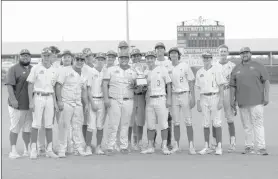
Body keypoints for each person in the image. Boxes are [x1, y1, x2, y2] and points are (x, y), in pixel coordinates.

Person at [230, 47, 270, 155]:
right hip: (242, 102)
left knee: (258, 124)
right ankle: (249, 146)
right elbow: (232, 86)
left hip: (257, 100)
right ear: (240, 55)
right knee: (247, 125)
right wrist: (232, 100)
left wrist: (267, 96)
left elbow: (266, 81)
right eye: (242, 53)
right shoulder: (236, 68)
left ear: (250, 54)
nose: (244, 55)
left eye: (246, 52)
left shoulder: (258, 65)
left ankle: (261, 147)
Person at [27, 47, 59, 159]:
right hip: (38, 97)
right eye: (44, 55)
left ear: (51, 57)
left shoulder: (54, 69)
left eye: (48, 55)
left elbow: (53, 87)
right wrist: (31, 102)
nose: (46, 57)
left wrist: (55, 102)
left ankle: (49, 149)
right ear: (41, 56)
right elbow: (30, 85)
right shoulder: (36, 68)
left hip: (50, 97)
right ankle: (33, 149)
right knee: (36, 124)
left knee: (49, 124)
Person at [103, 51, 137, 155]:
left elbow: (137, 87)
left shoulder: (133, 71)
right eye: (122, 58)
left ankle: (124, 146)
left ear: (128, 59)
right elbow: (105, 84)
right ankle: (110, 146)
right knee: (113, 124)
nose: (124, 60)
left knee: (125, 124)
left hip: (128, 100)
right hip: (114, 99)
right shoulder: (111, 70)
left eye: (126, 58)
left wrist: (137, 85)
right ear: (119, 59)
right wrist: (106, 99)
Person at [55, 51, 89, 157]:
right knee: (64, 126)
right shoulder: (65, 71)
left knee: (77, 126)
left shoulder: (83, 74)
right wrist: (59, 101)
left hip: (78, 103)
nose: (79, 62)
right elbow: (58, 86)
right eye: (77, 60)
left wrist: (86, 104)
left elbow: (84, 91)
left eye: (81, 60)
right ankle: (62, 149)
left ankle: (78, 148)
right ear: (73, 60)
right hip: (66, 102)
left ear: (84, 61)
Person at [140, 51, 172, 155]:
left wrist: (169, 99)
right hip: (149, 99)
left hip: (161, 98)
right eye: (148, 58)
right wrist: (141, 85)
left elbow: (168, 84)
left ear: (154, 59)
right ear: (146, 60)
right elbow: (142, 88)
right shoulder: (144, 72)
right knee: (150, 125)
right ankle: (150, 146)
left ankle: (164, 146)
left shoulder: (162, 69)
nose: (149, 60)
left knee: (163, 124)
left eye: (151, 58)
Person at [167, 47, 197, 154]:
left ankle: (191, 145)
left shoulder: (184, 65)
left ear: (178, 55)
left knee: (188, 121)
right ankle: (177, 145)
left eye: (175, 53)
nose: (173, 55)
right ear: (169, 55)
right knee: (176, 122)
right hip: (174, 95)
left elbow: (191, 82)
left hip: (184, 94)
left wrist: (192, 97)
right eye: (171, 53)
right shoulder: (167, 67)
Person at [195, 51, 225, 155]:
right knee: (206, 123)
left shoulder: (216, 69)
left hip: (215, 97)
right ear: (202, 59)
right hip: (204, 98)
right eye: (204, 58)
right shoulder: (199, 72)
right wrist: (198, 102)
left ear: (211, 58)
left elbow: (221, 86)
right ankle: (207, 146)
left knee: (217, 122)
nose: (206, 59)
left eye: (208, 58)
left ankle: (219, 146)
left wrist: (221, 100)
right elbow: (198, 88)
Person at [5, 49, 33, 159]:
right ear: (19, 57)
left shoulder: (33, 69)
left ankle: (27, 149)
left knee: (27, 128)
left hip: (29, 104)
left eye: (27, 56)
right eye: (23, 56)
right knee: (15, 127)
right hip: (16, 104)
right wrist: (13, 100)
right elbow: (9, 85)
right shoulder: (13, 69)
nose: (25, 57)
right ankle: (13, 150)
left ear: (30, 57)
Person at [37, 46, 61, 156]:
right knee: (42, 124)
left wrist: (58, 101)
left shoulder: (58, 67)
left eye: (56, 53)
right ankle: (41, 147)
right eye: (53, 53)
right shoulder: (41, 66)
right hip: (45, 98)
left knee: (55, 125)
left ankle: (54, 147)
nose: (55, 54)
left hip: (57, 99)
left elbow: (58, 85)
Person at [213, 44, 237, 153]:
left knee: (230, 119)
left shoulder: (232, 65)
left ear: (227, 53)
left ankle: (232, 143)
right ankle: (215, 143)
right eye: (221, 51)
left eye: (224, 51)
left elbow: (236, 82)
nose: (223, 53)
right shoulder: (214, 65)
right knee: (215, 119)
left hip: (228, 91)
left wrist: (234, 98)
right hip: (216, 93)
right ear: (218, 53)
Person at [85, 52, 107, 155]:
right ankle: (88, 146)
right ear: (95, 60)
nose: (100, 61)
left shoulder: (105, 72)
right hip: (93, 100)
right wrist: (92, 102)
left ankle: (98, 146)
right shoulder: (90, 71)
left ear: (104, 61)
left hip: (102, 100)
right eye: (98, 59)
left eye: (102, 59)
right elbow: (88, 88)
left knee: (100, 126)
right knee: (90, 125)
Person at [154, 42, 173, 150]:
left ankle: (168, 142)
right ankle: (153, 141)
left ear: (164, 50)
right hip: (154, 93)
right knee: (153, 118)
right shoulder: (153, 61)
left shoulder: (169, 63)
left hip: (166, 91)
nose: (159, 50)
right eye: (157, 48)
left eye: (161, 48)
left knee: (167, 118)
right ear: (155, 51)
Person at [129, 48, 147, 151]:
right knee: (131, 121)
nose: (136, 57)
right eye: (134, 56)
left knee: (140, 120)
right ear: (131, 57)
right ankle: (132, 141)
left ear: (140, 56)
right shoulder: (129, 68)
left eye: (137, 55)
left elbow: (145, 83)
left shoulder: (144, 67)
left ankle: (139, 141)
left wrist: (142, 86)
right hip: (131, 96)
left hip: (141, 96)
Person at [81, 48, 95, 140]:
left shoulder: (96, 66)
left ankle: (90, 142)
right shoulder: (82, 68)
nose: (88, 57)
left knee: (94, 122)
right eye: (86, 56)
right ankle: (86, 143)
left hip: (97, 96)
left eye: (89, 55)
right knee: (85, 121)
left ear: (92, 56)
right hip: (85, 96)